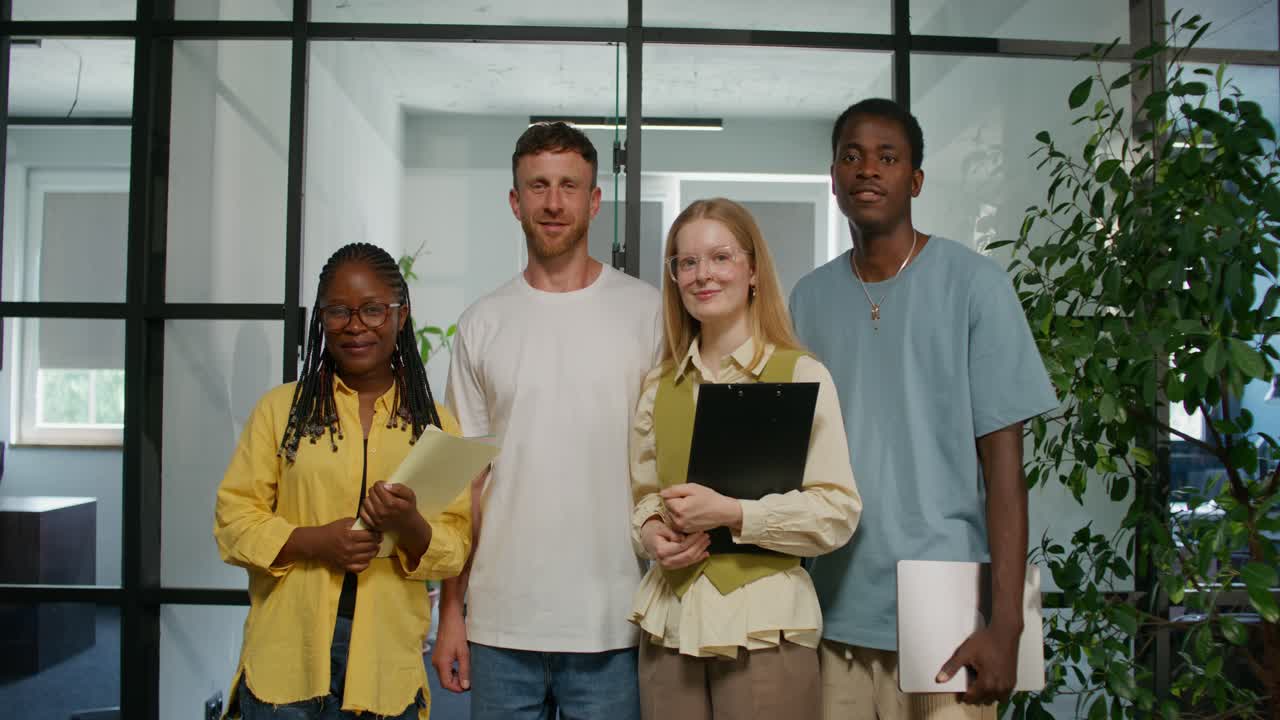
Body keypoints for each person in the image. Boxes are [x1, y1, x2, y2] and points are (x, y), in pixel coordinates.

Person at [789, 97, 1058, 720]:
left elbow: (1005, 474)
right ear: (833, 179)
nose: (866, 170)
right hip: (833, 609)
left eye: (887, 157)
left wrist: (1007, 623)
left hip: (948, 610)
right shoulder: (807, 298)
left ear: (915, 180)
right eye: (851, 157)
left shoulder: (975, 284)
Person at [431, 121, 661, 720]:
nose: (553, 202)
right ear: (514, 200)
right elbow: (463, 483)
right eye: (537, 186)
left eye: (568, 186)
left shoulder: (650, 313)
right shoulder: (482, 322)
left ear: (594, 200)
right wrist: (450, 610)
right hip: (501, 622)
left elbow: (669, 465)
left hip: (615, 623)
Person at [214, 242, 471, 720]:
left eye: (373, 310)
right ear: (321, 318)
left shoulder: (434, 425)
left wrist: (411, 523)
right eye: (338, 311)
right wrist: (314, 541)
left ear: (401, 315)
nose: (355, 326)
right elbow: (233, 521)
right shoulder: (281, 411)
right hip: (286, 659)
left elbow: (455, 544)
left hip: (384, 665)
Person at [628, 197, 862, 720]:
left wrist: (735, 514)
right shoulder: (658, 387)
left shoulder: (802, 376)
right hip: (670, 627)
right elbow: (643, 500)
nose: (701, 275)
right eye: (686, 262)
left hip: (766, 627)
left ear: (753, 269)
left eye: (719, 258)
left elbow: (838, 511)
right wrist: (650, 535)